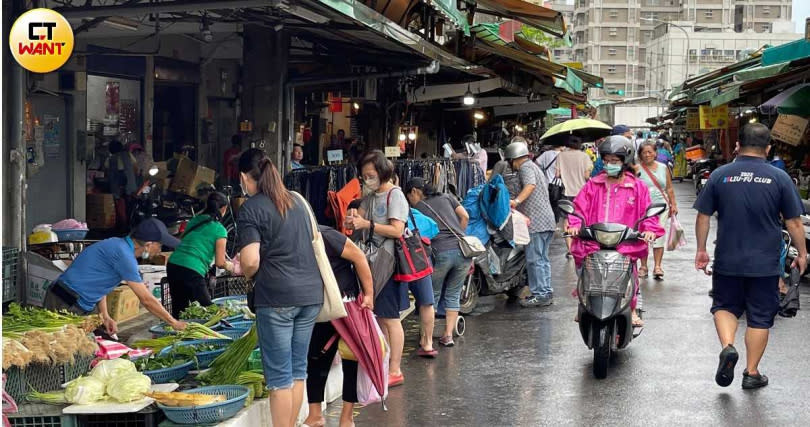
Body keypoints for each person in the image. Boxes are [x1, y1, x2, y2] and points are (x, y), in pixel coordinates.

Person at [694, 123, 806, 390]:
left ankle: (728, 346)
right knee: (759, 318)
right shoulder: (779, 178)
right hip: (765, 263)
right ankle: (751, 372)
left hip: (727, 259)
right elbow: (794, 223)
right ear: (768, 148)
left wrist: (701, 250)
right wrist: (802, 253)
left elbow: (703, 216)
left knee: (724, 306)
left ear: (737, 145)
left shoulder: (720, 175)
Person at [237, 148, 324, 427]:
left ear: (243, 178)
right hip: (310, 295)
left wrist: (248, 272)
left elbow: (250, 261)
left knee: (278, 378)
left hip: (277, 298)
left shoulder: (251, 208)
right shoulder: (297, 201)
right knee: (298, 372)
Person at [566, 136, 665, 327]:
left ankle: (633, 309)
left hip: (625, 242)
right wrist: (574, 225)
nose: (609, 164)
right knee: (586, 271)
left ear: (624, 161)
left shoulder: (637, 187)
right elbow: (579, 209)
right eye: (607, 161)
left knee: (630, 274)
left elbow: (648, 213)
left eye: (614, 161)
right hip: (595, 240)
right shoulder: (592, 185)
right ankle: (584, 304)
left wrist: (650, 230)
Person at [43, 218, 187, 334]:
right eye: (160, 246)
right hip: (65, 302)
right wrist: (173, 322)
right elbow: (147, 299)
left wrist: (105, 316)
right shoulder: (124, 256)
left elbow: (100, 284)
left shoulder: (117, 244)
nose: (160, 251)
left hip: (72, 300)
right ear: (148, 245)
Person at [344, 150, 409, 387]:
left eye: (370, 175)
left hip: (389, 264)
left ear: (382, 173)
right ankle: (384, 363)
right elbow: (356, 224)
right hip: (370, 264)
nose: (367, 179)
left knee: (391, 318)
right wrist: (351, 221)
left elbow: (397, 231)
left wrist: (367, 224)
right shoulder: (369, 197)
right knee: (380, 317)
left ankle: (395, 369)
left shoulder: (395, 196)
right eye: (364, 176)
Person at [303, 225, 374, 427]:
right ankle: (315, 415)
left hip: (347, 303)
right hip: (321, 307)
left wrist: (368, 295)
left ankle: (347, 417)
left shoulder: (326, 235)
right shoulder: (294, 237)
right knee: (316, 357)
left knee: (351, 359)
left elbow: (359, 257)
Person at [406, 177, 470, 346]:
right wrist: (458, 234)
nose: (410, 202)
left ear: (414, 191)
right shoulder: (447, 197)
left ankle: (426, 339)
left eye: (409, 197)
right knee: (453, 294)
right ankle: (448, 335)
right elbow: (465, 216)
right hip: (463, 251)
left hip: (440, 252)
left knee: (431, 296)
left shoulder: (418, 208)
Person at [504, 140, 557, 307]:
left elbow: (530, 186)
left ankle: (540, 294)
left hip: (537, 222)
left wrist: (516, 201)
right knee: (542, 258)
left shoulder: (526, 167)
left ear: (514, 158)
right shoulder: (535, 166)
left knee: (534, 259)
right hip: (546, 219)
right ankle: (545, 292)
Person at [166, 192, 234, 318]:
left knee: (180, 309)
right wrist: (232, 267)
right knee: (208, 310)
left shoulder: (195, 220)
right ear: (224, 209)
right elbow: (220, 262)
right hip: (192, 269)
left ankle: (179, 334)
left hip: (174, 264)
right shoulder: (220, 230)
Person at [637, 142, 679, 280]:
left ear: (655, 153)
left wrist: (673, 204)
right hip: (643, 209)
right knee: (643, 237)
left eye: (650, 152)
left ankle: (657, 266)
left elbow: (669, 188)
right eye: (644, 152)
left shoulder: (663, 168)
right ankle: (643, 266)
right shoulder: (636, 169)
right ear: (640, 154)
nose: (647, 155)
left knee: (659, 237)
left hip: (661, 207)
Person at [557, 136, 594, 254]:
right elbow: (587, 176)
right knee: (583, 219)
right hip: (582, 193)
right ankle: (582, 246)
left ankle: (570, 249)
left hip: (567, 192)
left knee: (567, 220)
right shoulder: (584, 156)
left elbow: (557, 175)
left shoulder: (561, 156)